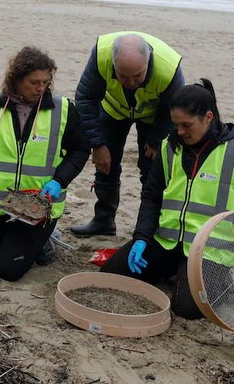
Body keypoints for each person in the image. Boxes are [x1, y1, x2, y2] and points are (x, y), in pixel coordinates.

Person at [100, 79, 234, 319]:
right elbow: (151, 196)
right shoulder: (169, 147)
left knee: (187, 309)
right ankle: (174, 271)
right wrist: (141, 237)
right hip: (165, 242)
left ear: (208, 117)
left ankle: (219, 282)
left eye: (186, 125)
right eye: (176, 124)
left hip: (210, 252)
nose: (180, 132)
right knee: (111, 274)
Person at [0, 46, 90, 281]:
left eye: (46, 82)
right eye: (34, 82)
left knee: (8, 270)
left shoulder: (63, 110)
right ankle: (4, 236)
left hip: (38, 209)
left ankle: (45, 242)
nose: (41, 89)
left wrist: (59, 181)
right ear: (16, 79)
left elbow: (81, 150)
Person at [69, 32, 184, 237]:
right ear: (113, 64)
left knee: (152, 171)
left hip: (154, 116)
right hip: (114, 109)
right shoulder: (101, 55)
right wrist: (97, 144)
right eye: (122, 75)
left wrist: (156, 140)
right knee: (106, 165)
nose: (130, 82)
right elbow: (85, 99)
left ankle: (151, 228)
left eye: (138, 75)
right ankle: (103, 220)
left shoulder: (169, 69)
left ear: (148, 63)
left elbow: (174, 110)